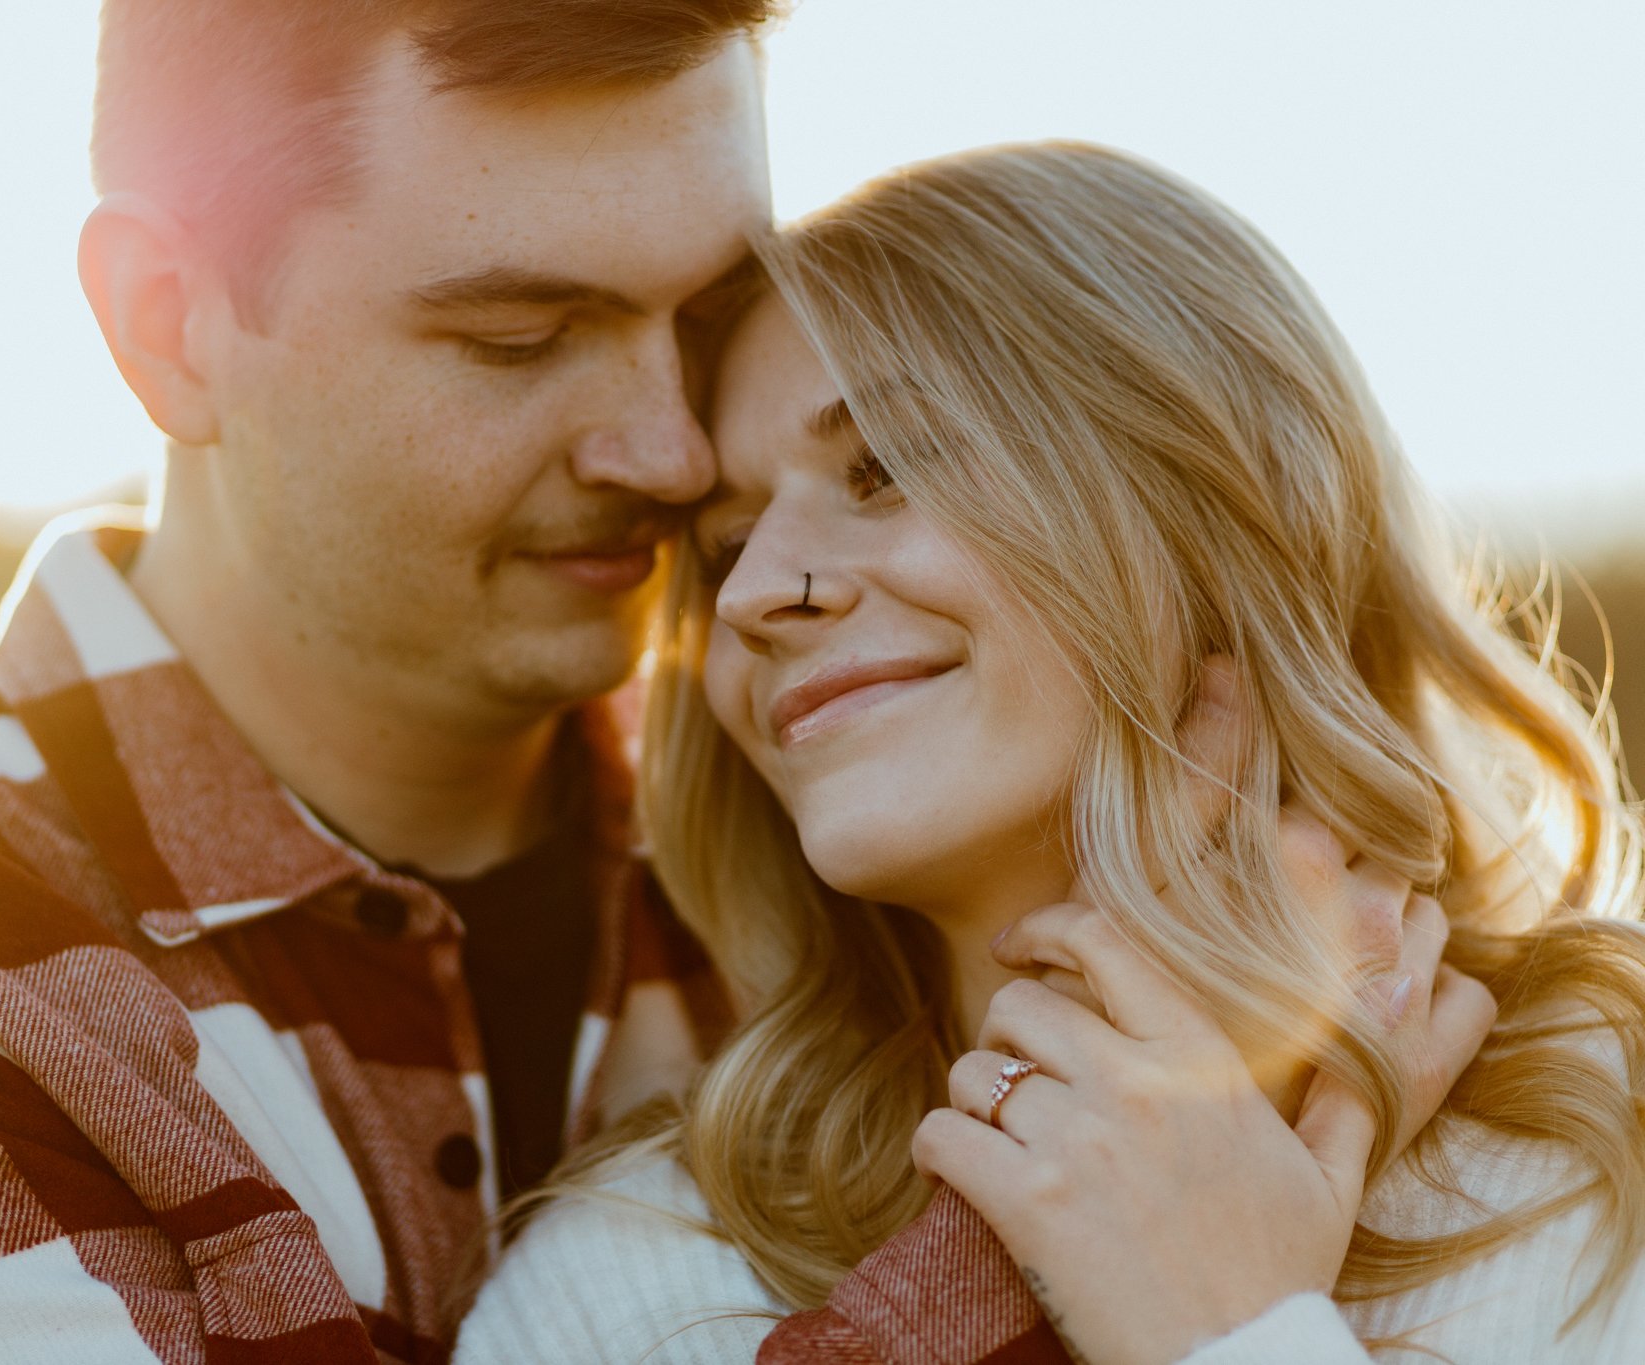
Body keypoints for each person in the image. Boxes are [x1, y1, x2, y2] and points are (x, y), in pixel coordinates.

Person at [0, 2, 1474, 1358]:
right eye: (521, 336)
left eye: (698, 317)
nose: (673, 457)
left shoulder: (864, 826)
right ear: (170, 328)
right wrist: (1076, 1162)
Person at [456, 143, 1645, 1363]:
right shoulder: (623, 1280)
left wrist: (1221, 1326)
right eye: (721, 546)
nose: (759, 591)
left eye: (884, 468)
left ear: (1204, 500)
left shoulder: (1609, 1135)